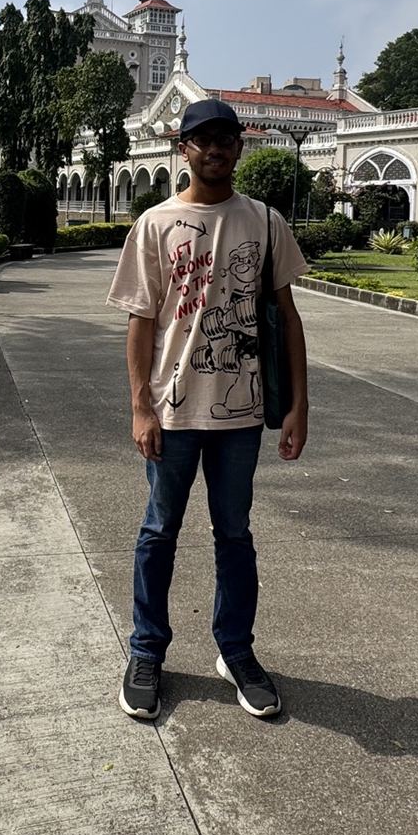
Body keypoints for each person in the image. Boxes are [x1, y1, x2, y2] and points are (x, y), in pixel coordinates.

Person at [107, 99, 309, 721]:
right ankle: (147, 651)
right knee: (158, 533)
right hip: (172, 413)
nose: (215, 149)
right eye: (202, 140)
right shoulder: (155, 224)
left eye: (225, 138)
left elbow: (287, 318)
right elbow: (141, 322)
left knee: (235, 535)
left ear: (240, 147)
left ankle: (236, 651)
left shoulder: (265, 221)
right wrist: (140, 407)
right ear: (183, 149)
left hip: (240, 416)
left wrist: (298, 404)